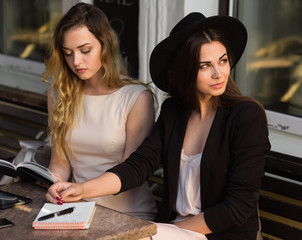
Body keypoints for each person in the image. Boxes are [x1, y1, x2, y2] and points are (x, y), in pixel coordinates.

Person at [47, 12, 271, 240]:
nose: (218, 73)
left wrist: (168, 231)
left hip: (218, 234)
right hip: (171, 229)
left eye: (222, 61)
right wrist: (81, 189)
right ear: (185, 69)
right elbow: (138, 165)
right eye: (205, 66)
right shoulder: (174, 111)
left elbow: (237, 207)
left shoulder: (246, 116)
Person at [42, 2, 156, 220]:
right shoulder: (59, 95)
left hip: (127, 212)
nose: (76, 61)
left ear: (105, 45)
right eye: (68, 53)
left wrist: (81, 189)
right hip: (75, 209)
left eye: (85, 50)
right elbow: (60, 163)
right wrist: (54, 185)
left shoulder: (135, 97)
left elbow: (131, 171)